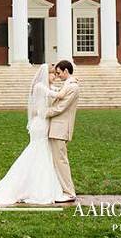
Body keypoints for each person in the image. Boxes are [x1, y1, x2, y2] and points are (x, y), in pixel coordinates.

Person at [0, 63, 65, 205]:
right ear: (46, 74)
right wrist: (70, 84)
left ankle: (37, 185)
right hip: (40, 124)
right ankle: (33, 188)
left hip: (45, 122)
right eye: (53, 74)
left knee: (42, 152)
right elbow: (59, 94)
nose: (55, 77)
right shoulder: (40, 87)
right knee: (38, 151)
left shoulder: (46, 87)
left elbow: (56, 91)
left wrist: (69, 83)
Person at [47, 60, 80, 202]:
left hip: (60, 129)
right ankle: (61, 189)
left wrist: (43, 113)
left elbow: (61, 107)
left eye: (59, 73)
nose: (58, 76)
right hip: (56, 128)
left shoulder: (72, 87)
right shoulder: (68, 85)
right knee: (57, 160)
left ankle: (69, 192)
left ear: (66, 71)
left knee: (61, 161)